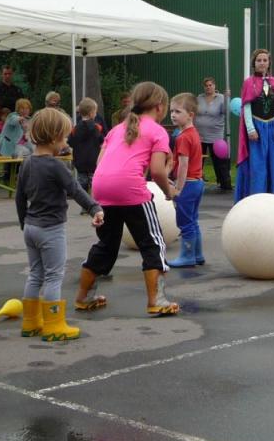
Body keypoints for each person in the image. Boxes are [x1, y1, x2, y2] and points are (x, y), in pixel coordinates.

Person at [74, 81, 179, 317]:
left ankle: (84, 296)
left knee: (107, 245)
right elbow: (158, 171)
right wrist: (168, 192)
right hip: (131, 191)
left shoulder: (116, 129)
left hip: (101, 188)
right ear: (160, 107)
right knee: (153, 243)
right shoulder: (158, 131)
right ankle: (157, 300)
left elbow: (101, 163)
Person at [16, 108, 104, 341]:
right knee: (54, 276)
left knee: (35, 275)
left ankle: (30, 322)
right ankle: (54, 326)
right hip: (50, 229)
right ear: (54, 137)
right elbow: (75, 190)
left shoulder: (26, 163)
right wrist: (94, 208)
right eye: (64, 137)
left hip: (31, 227)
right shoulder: (55, 166)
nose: (66, 142)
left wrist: (23, 222)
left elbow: (19, 197)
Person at [235, 48, 274, 200]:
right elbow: (246, 107)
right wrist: (250, 129)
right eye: (259, 60)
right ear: (254, 63)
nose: (262, 63)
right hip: (257, 129)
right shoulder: (248, 83)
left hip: (273, 129)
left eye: (265, 60)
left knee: (273, 163)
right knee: (258, 165)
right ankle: (256, 198)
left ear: (269, 63)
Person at [167, 93, 206, 268]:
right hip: (197, 182)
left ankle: (187, 256)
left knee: (185, 222)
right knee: (193, 220)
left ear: (190, 115)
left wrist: (178, 188)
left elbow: (183, 165)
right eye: (171, 111)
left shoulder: (183, 137)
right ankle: (197, 254)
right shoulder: (194, 133)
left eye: (178, 111)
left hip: (188, 184)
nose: (173, 115)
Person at [196, 76, 231, 193]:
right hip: (200, 135)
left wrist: (227, 99)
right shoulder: (199, 98)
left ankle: (224, 184)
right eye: (206, 86)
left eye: (210, 85)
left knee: (219, 161)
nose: (208, 87)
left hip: (215, 135)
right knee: (198, 160)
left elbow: (226, 112)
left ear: (214, 86)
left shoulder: (221, 98)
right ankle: (195, 182)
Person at [68, 97, 103, 193]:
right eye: (95, 112)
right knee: (94, 184)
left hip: (80, 162)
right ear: (91, 113)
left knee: (81, 185)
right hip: (93, 161)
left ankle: (83, 200)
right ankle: (93, 200)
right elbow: (101, 141)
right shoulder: (97, 128)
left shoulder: (75, 129)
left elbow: (70, 142)